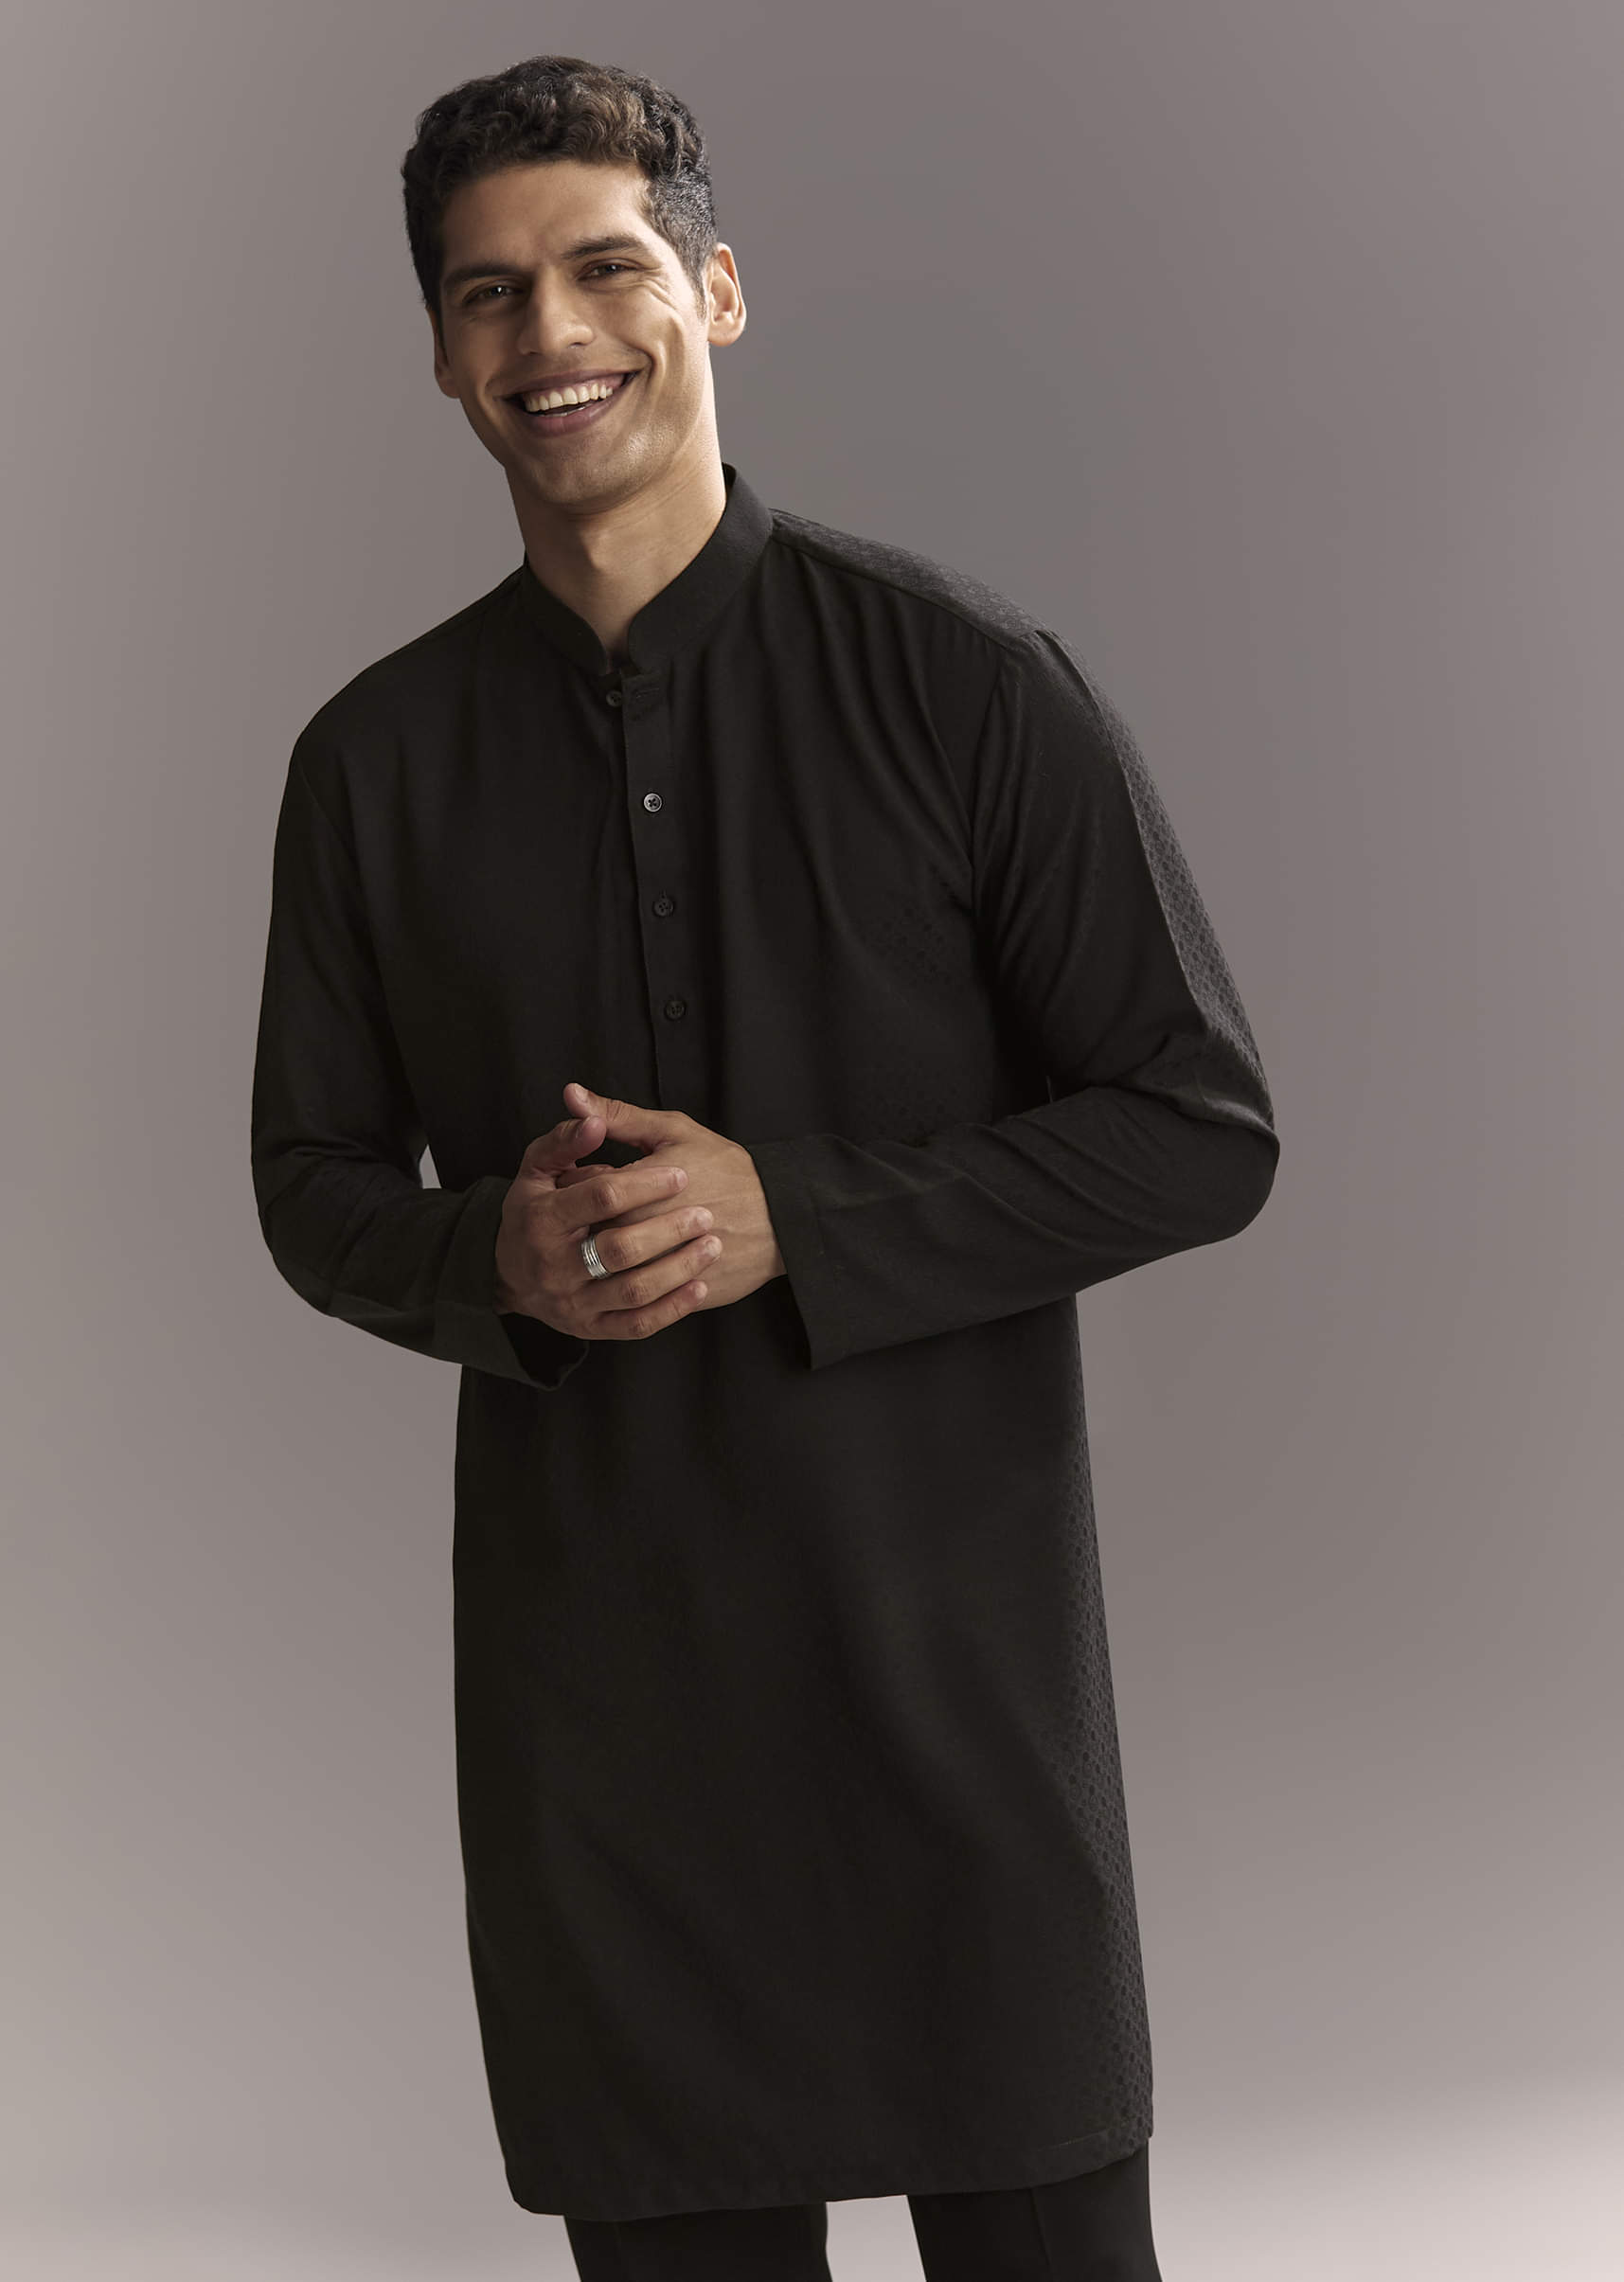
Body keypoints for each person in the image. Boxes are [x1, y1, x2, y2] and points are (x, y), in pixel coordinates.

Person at [250, 51, 1280, 2282]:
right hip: (606, 1751)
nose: (552, 332)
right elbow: (310, 1181)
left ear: (715, 291)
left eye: (606, 267)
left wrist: (792, 1212)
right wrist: (495, 1255)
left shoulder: (967, 684)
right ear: (440, 350)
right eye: (490, 292)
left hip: (959, 1707)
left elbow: (1200, 1124)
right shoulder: (373, 764)